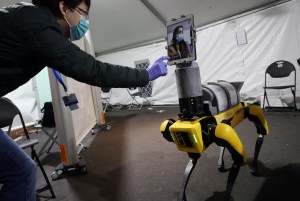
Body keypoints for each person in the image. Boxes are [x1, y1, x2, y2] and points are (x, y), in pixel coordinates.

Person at [0, 0, 169, 200]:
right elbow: (93, 70)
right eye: (83, 13)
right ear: (63, 8)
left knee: (23, 170)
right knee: (22, 172)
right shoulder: (41, 27)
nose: (85, 20)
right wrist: (145, 75)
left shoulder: (30, 16)